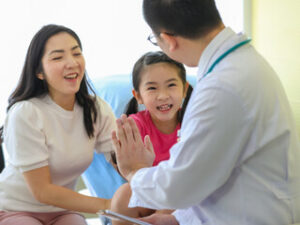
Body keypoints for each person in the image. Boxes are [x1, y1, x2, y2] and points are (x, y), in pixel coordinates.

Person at [111, 0, 300, 225]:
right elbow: (214, 178)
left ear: (169, 40)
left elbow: (180, 185)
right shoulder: (241, 64)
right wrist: (176, 218)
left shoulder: (222, 87)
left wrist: (135, 172)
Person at [0, 24, 116, 225]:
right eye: (57, 57)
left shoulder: (95, 108)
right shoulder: (26, 112)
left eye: (76, 53)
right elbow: (42, 191)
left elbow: (122, 161)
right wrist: (110, 205)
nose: (71, 63)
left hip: (63, 211)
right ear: (39, 72)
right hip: (13, 208)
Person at [110, 51, 193, 225]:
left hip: (185, 196)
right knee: (122, 196)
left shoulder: (194, 123)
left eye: (171, 85)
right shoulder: (135, 127)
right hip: (149, 191)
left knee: (174, 196)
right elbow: (130, 172)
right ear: (138, 95)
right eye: (152, 88)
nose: (162, 95)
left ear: (184, 89)